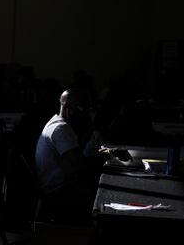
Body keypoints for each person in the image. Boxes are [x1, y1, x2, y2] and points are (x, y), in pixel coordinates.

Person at [35, 87, 125, 223]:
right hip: (59, 193)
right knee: (109, 197)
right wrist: (108, 156)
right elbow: (80, 166)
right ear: (67, 108)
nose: (86, 116)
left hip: (59, 188)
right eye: (83, 111)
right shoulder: (60, 129)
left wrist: (107, 154)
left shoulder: (56, 124)